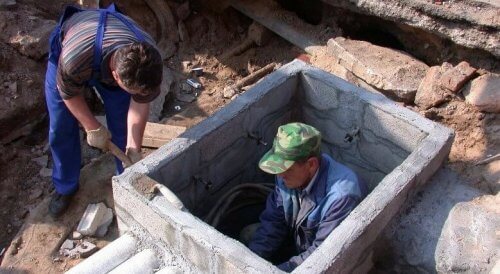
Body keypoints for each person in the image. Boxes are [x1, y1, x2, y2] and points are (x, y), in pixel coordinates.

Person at [45, 4, 163, 217]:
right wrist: (93, 127)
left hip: (109, 54)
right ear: (116, 77)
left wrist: (134, 147)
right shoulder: (74, 59)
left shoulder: (148, 60)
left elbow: (139, 103)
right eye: (132, 89)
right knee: (61, 125)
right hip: (74, 49)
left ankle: (127, 178)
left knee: (122, 126)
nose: (137, 93)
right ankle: (66, 187)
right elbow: (69, 94)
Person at [248, 122, 367, 272]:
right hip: (298, 244)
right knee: (249, 236)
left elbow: (321, 254)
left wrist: (279, 270)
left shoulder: (341, 198)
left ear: (311, 164)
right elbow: (273, 222)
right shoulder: (287, 177)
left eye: (286, 168)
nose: (279, 174)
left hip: (320, 259)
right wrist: (251, 262)